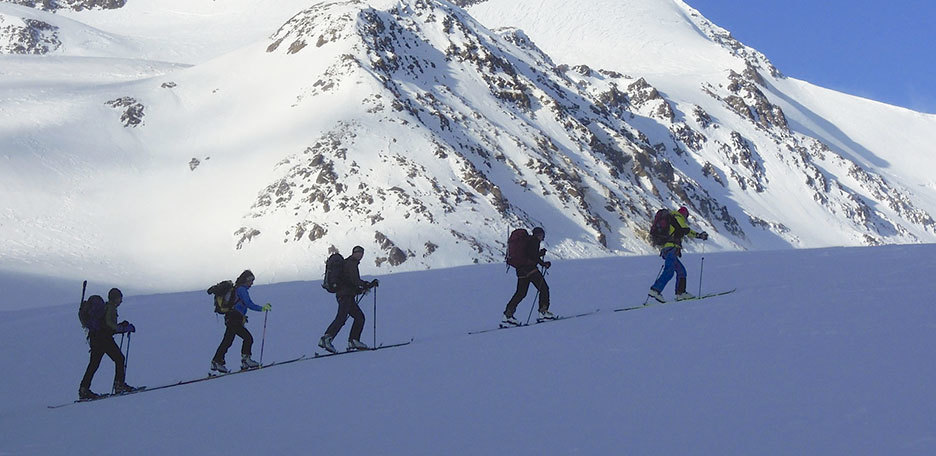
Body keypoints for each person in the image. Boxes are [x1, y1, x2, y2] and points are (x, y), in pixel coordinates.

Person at [79, 288, 140, 399]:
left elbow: (106, 325)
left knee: (94, 364)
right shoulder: (110, 308)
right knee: (119, 359)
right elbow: (109, 325)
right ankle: (119, 385)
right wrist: (124, 328)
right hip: (104, 339)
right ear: (115, 298)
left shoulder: (105, 308)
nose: (121, 301)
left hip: (95, 338)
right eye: (120, 298)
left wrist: (121, 326)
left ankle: (84, 389)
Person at [318, 246, 378, 353]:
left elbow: (349, 282)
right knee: (343, 317)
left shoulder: (350, 263)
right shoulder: (351, 263)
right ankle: (327, 339)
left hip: (346, 295)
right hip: (345, 296)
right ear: (354, 253)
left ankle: (353, 340)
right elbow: (354, 280)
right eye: (358, 252)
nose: (360, 255)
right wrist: (366, 284)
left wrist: (362, 288)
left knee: (358, 317)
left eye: (362, 253)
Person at [211, 270, 272, 373]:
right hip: (235, 318)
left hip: (231, 317)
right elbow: (249, 304)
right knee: (248, 338)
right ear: (246, 280)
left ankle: (217, 361)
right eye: (251, 280)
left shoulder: (237, 289)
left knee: (228, 341)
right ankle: (246, 360)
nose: (252, 283)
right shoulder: (242, 290)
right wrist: (262, 308)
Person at [648, 206, 709, 302]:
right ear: (684, 214)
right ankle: (655, 290)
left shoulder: (671, 219)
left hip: (666, 249)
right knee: (669, 271)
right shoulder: (678, 217)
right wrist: (699, 235)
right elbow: (686, 230)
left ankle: (681, 293)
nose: (686, 219)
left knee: (681, 272)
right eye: (686, 216)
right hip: (671, 248)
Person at [502, 226, 554, 326]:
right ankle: (543, 312)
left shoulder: (527, 241)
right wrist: (543, 263)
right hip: (530, 269)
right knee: (544, 288)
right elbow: (532, 256)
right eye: (542, 235)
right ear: (539, 235)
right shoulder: (534, 241)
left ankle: (508, 315)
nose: (543, 238)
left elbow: (529, 254)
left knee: (521, 293)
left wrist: (539, 255)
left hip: (520, 270)